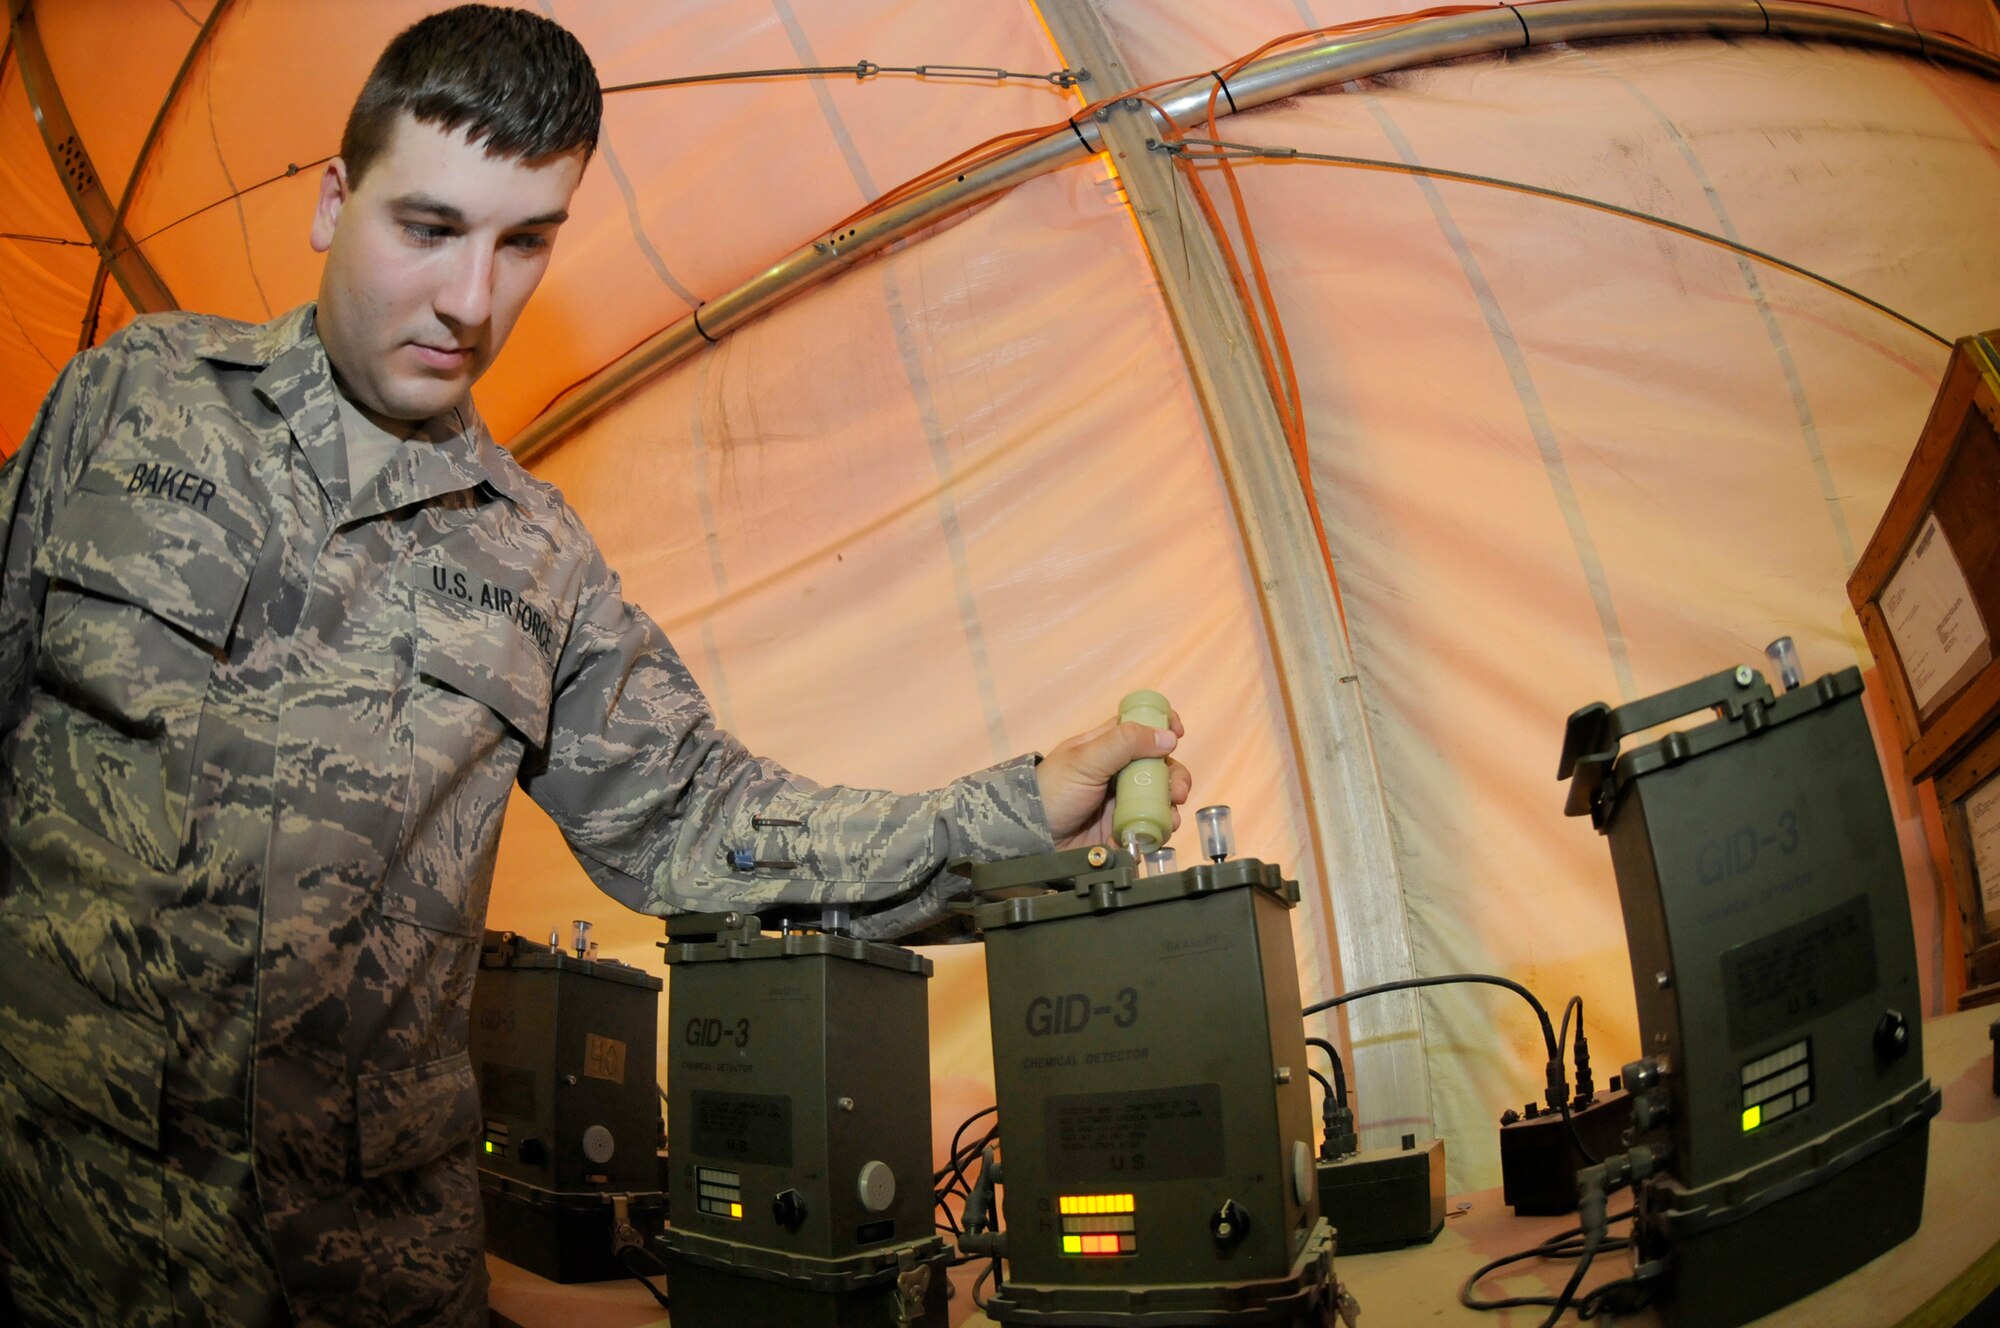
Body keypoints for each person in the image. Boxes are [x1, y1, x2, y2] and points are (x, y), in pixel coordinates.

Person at [0, 7, 1190, 1327]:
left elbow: (704, 820)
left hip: (356, 1280)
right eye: (431, 228)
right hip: (58, 1240)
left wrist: (1013, 813)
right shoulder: (131, 398)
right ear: (335, 202)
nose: (471, 302)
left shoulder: (537, 563)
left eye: (525, 244)